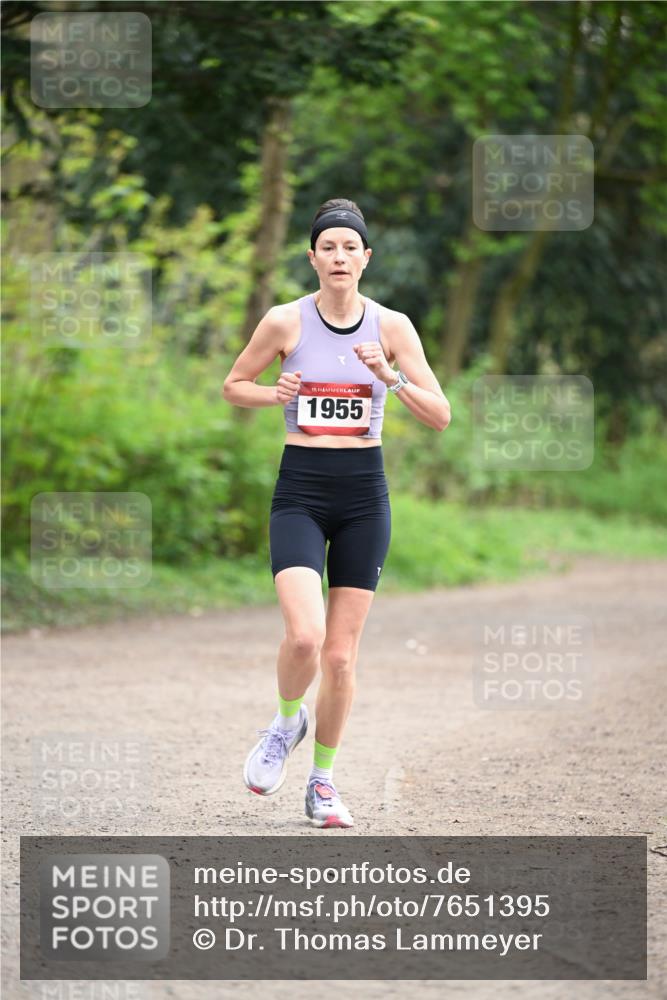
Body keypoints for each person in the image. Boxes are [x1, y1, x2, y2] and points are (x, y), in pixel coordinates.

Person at [222, 198, 450, 828]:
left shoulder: (393, 328)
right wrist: (276, 392)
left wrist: (391, 378)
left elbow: (441, 415)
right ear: (313, 257)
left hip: (363, 497)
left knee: (343, 657)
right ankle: (285, 720)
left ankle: (322, 782)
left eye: (351, 247)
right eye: (329, 247)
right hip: (300, 489)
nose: (340, 257)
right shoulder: (284, 322)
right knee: (305, 636)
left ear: (366, 258)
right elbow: (233, 384)